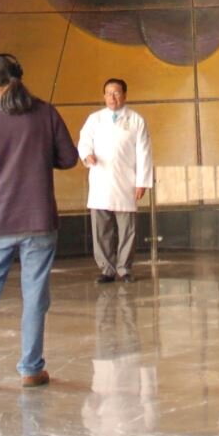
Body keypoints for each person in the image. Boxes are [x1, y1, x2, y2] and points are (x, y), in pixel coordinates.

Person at [0, 53, 79, 390]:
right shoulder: (46, 113)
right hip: (39, 218)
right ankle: (30, 369)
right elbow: (69, 158)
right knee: (35, 296)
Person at [77, 78, 153, 283]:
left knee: (127, 228)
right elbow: (84, 141)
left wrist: (142, 182)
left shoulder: (136, 120)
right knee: (101, 228)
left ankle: (124, 268)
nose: (112, 97)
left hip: (126, 181)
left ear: (124, 95)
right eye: (108, 93)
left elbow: (144, 152)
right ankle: (106, 269)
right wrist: (87, 155)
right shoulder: (95, 119)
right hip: (100, 180)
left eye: (116, 93)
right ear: (104, 96)